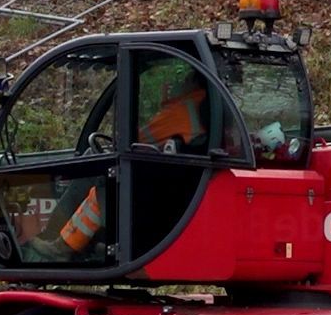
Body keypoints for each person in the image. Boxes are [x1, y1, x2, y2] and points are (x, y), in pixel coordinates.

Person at [24, 75, 208, 262]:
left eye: (185, 79)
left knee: (103, 181)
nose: (179, 83)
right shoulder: (202, 111)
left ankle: (59, 247)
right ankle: (82, 241)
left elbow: (133, 140)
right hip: (172, 186)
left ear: (194, 83)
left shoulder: (182, 111)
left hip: (157, 193)